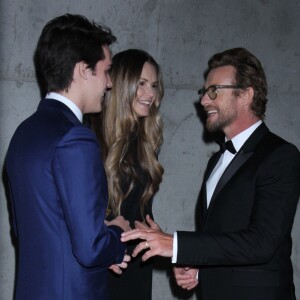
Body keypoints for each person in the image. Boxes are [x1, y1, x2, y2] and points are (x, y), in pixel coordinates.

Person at [121, 47, 300, 300]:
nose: (204, 100)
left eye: (214, 91)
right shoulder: (217, 159)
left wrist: (178, 245)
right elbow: (222, 238)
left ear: (246, 94)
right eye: (204, 92)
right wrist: (197, 267)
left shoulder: (280, 155)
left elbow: (262, 242)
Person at [5, 14, 131, 300]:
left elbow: (27, 228)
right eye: (106, 71)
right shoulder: (76, 138)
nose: (109, 83)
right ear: (83, 70)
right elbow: (90, 249)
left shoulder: (23, 134)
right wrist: (116, 237)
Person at [91, 48, 164, 300]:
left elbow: (141, 210)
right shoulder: (90, 137)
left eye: (154, 85)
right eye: (141, 83)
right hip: (104, 260)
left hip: (137, 262)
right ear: (122, 85)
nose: (150, 94)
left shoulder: (146, 141)